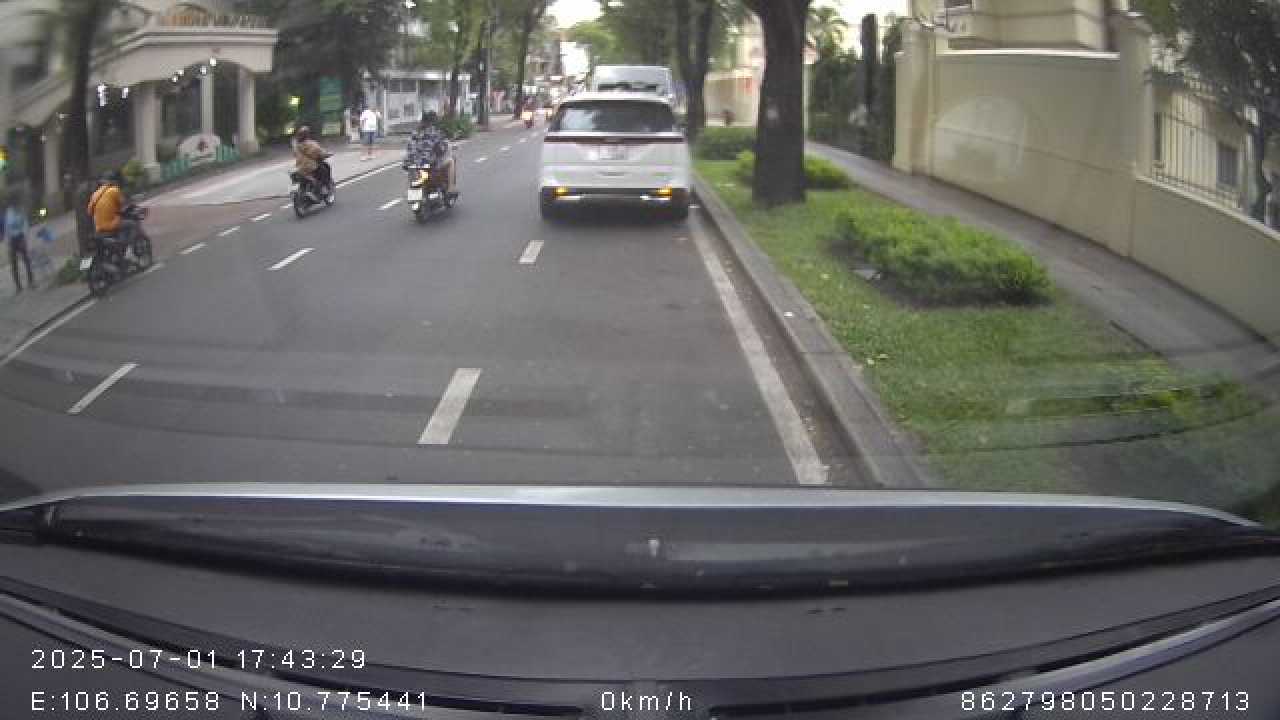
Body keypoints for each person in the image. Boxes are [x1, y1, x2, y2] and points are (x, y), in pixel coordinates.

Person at [403, 111, 456, 196]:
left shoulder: (414, 133)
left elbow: (409, 149)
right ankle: (450, 188)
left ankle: (415, 195)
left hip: (411, 165)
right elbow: (441, 149)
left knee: (412, 175)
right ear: (432, 122)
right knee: (451, 161)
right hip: (428, 164)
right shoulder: (433, 132)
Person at [87, 170, 133, 247]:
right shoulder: (114, 190)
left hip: (99, 227)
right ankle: (122, 244)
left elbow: (89, 212)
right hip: (112, 224)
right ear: (114, 181)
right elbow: (124, 204)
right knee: (131, 224)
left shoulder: (95, 194)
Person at [4, 189, 35, 293]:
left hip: (20, 237)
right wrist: (8, 241)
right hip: (12, 239)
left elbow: (25, 224)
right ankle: (18, 286)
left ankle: (31, 281)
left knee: (26, 260)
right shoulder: (9, 212)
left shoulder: (20, 211)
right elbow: (7, 227)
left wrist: (24, 237)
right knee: (14, 264)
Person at [292, 126, 331, 199]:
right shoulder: (311, 144)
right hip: (310, 166)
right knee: (324, 170)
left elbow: (294, 154)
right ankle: (323, 189)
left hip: (299, 167)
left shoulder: (296, 145)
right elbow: (319, 153)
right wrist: (327, 154)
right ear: (307, 134)